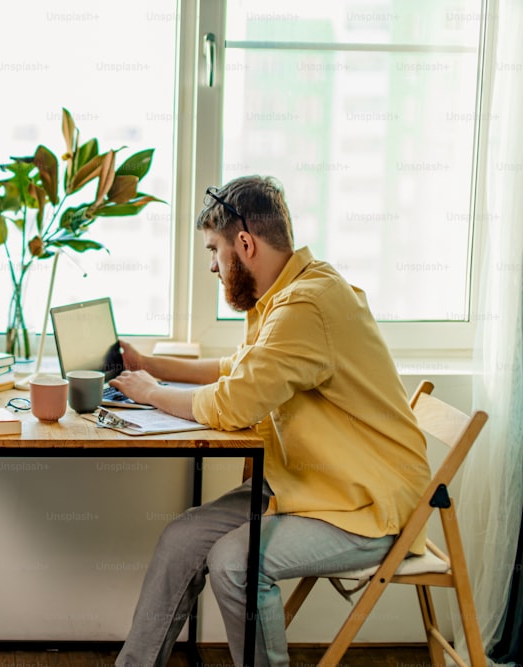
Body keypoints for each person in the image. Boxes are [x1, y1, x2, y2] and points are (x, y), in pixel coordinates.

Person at [109, 176, 431, 667]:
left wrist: (151, 394)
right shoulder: (287, 294)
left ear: (245, 243)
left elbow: (234, 403)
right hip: (307, 486)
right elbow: (238, 369)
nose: (212, 265)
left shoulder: (307, 305)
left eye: (214, 249)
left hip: (366, 503)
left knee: (236, 561)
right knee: (182, 541)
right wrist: (150, 365)